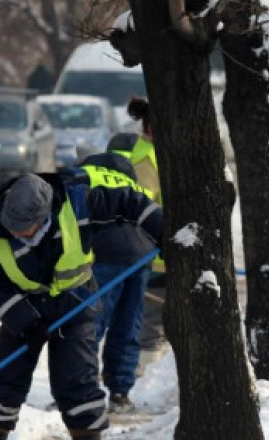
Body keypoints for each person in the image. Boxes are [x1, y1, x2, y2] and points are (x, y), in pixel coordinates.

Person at [0, 169, 164, 440]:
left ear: (45, 214)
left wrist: (162, 232)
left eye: (26, 229)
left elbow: (130, 202)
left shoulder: (80, 203)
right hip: (25, 309)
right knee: (3, 379)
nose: (19, 234)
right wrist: (24, 321)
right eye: (14, 229)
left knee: (78, 380)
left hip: (75, 303)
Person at [76, 152, 156, 413]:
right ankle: (120, 392)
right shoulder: (131, 183)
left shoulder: (86, 179)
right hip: (140, 255)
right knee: (127, 325)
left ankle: (81, 391)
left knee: (91, 324)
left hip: (104, 254)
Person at [114, 97, 166, 361]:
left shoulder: (156, 154)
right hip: (154, 258)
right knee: (149, 328)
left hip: (159, 255)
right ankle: (143, 379)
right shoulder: (147, 159)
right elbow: (140, 212)